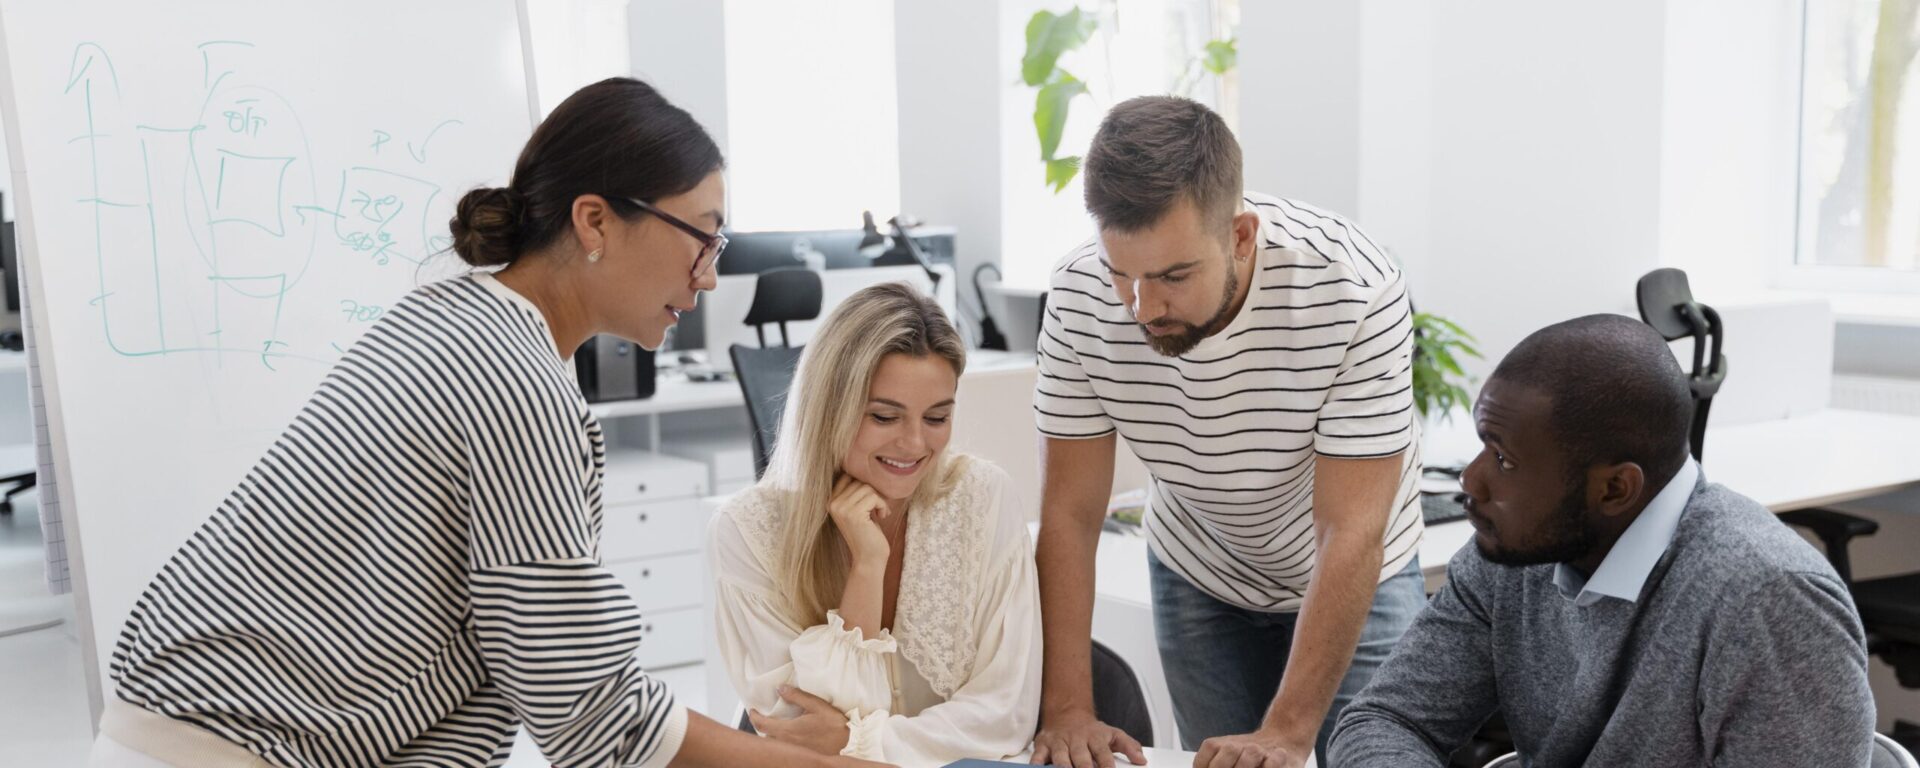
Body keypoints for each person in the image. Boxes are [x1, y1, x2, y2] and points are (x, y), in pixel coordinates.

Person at [91, 78, 887, 768]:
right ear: (596, 222)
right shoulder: (517, 380)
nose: (710, 274)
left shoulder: (455, 315)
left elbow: (523, 672)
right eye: (702, 236)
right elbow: (590, 711)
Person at [1030, 94, 1426, 768]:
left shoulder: (1351, 288)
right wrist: (1067, 711)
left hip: (1358, 574)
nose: (1142, 308)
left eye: (1173, 276)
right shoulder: (1077, 296)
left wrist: (1288, 732)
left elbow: (1350, 528)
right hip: (1200, 572)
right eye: (1121, 273)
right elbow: (1069, 513)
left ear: (1240, 236)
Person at [1327, 314, 1877, 767]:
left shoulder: (1768, 601)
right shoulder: (1506, 557)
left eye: (1504, 459)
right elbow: (1387, 719)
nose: (1471, 481)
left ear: (1615, 489)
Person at [710, 282, 1043, 766]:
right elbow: (798, 732)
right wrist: (867, 566)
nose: (914, 444)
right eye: (884, 416)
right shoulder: (746, 531)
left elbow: (1004, 714)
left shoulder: (983, 498)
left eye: (936, 417)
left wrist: (862, 742)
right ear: (829, 408)